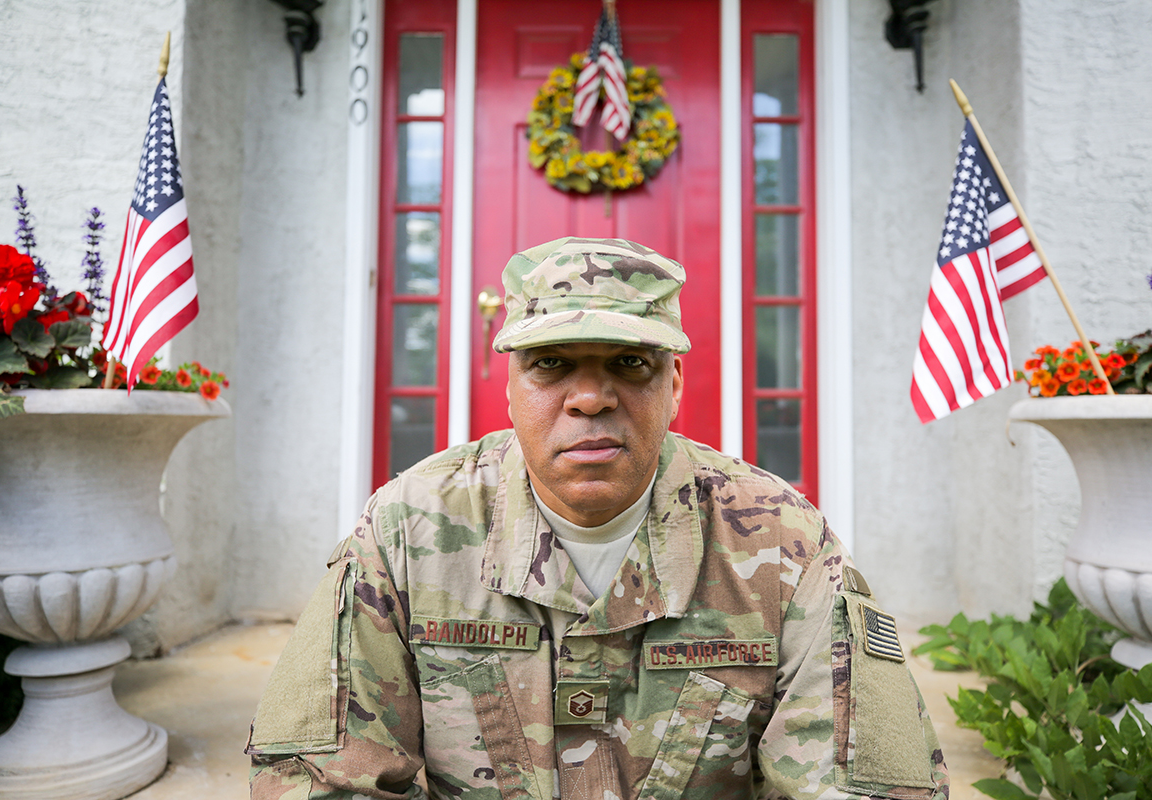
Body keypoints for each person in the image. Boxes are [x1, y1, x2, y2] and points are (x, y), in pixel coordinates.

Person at [247, 237, 949, 800]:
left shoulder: (784, 544)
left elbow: (864, 785)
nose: (589, 398)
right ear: (511, 387)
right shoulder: (408, 531)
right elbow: (319, 780)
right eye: (551, 364)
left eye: (629, 363)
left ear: (674, 385)